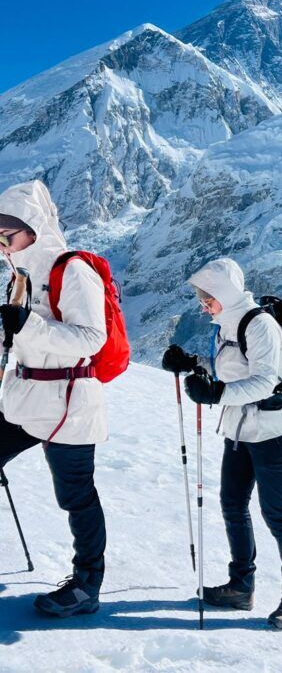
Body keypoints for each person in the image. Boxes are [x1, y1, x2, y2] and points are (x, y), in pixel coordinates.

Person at [162, 257, 282, 629]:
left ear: (225, 293)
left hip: (274, 433)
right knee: (232, 505)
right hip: (239, 431)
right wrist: (194, 366)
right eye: (201, 298)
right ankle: (241, 586)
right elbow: (229, 371)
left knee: (277, 513)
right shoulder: (226, 324)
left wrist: (216, 394)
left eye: (207, 297)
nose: (202, 304)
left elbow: (265, 381)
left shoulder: (260, 325)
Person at [0, 180, 108, 617]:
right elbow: (17, 336)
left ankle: (87, 585)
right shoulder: (20, 275)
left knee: (76, 495)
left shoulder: (73, 270)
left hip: (71, 402)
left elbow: (92, 338)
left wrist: (27, 326)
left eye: (7, 232)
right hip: (26, 397)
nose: (1, 241)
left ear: (34, 228)